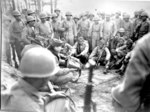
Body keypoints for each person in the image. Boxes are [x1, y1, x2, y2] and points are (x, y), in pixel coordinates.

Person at [1, 47, 69, 112]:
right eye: (48, 76)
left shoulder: (17, 87)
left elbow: (34, 101)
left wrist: (48, 98)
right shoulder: (29, 107)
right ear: (43, 78)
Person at [111, 33, 150, 112]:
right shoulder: (142, 43)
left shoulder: (146, 43)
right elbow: (121, 49)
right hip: (127, 56)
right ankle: (121, 68)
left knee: (119, 99)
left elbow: (129, 93)